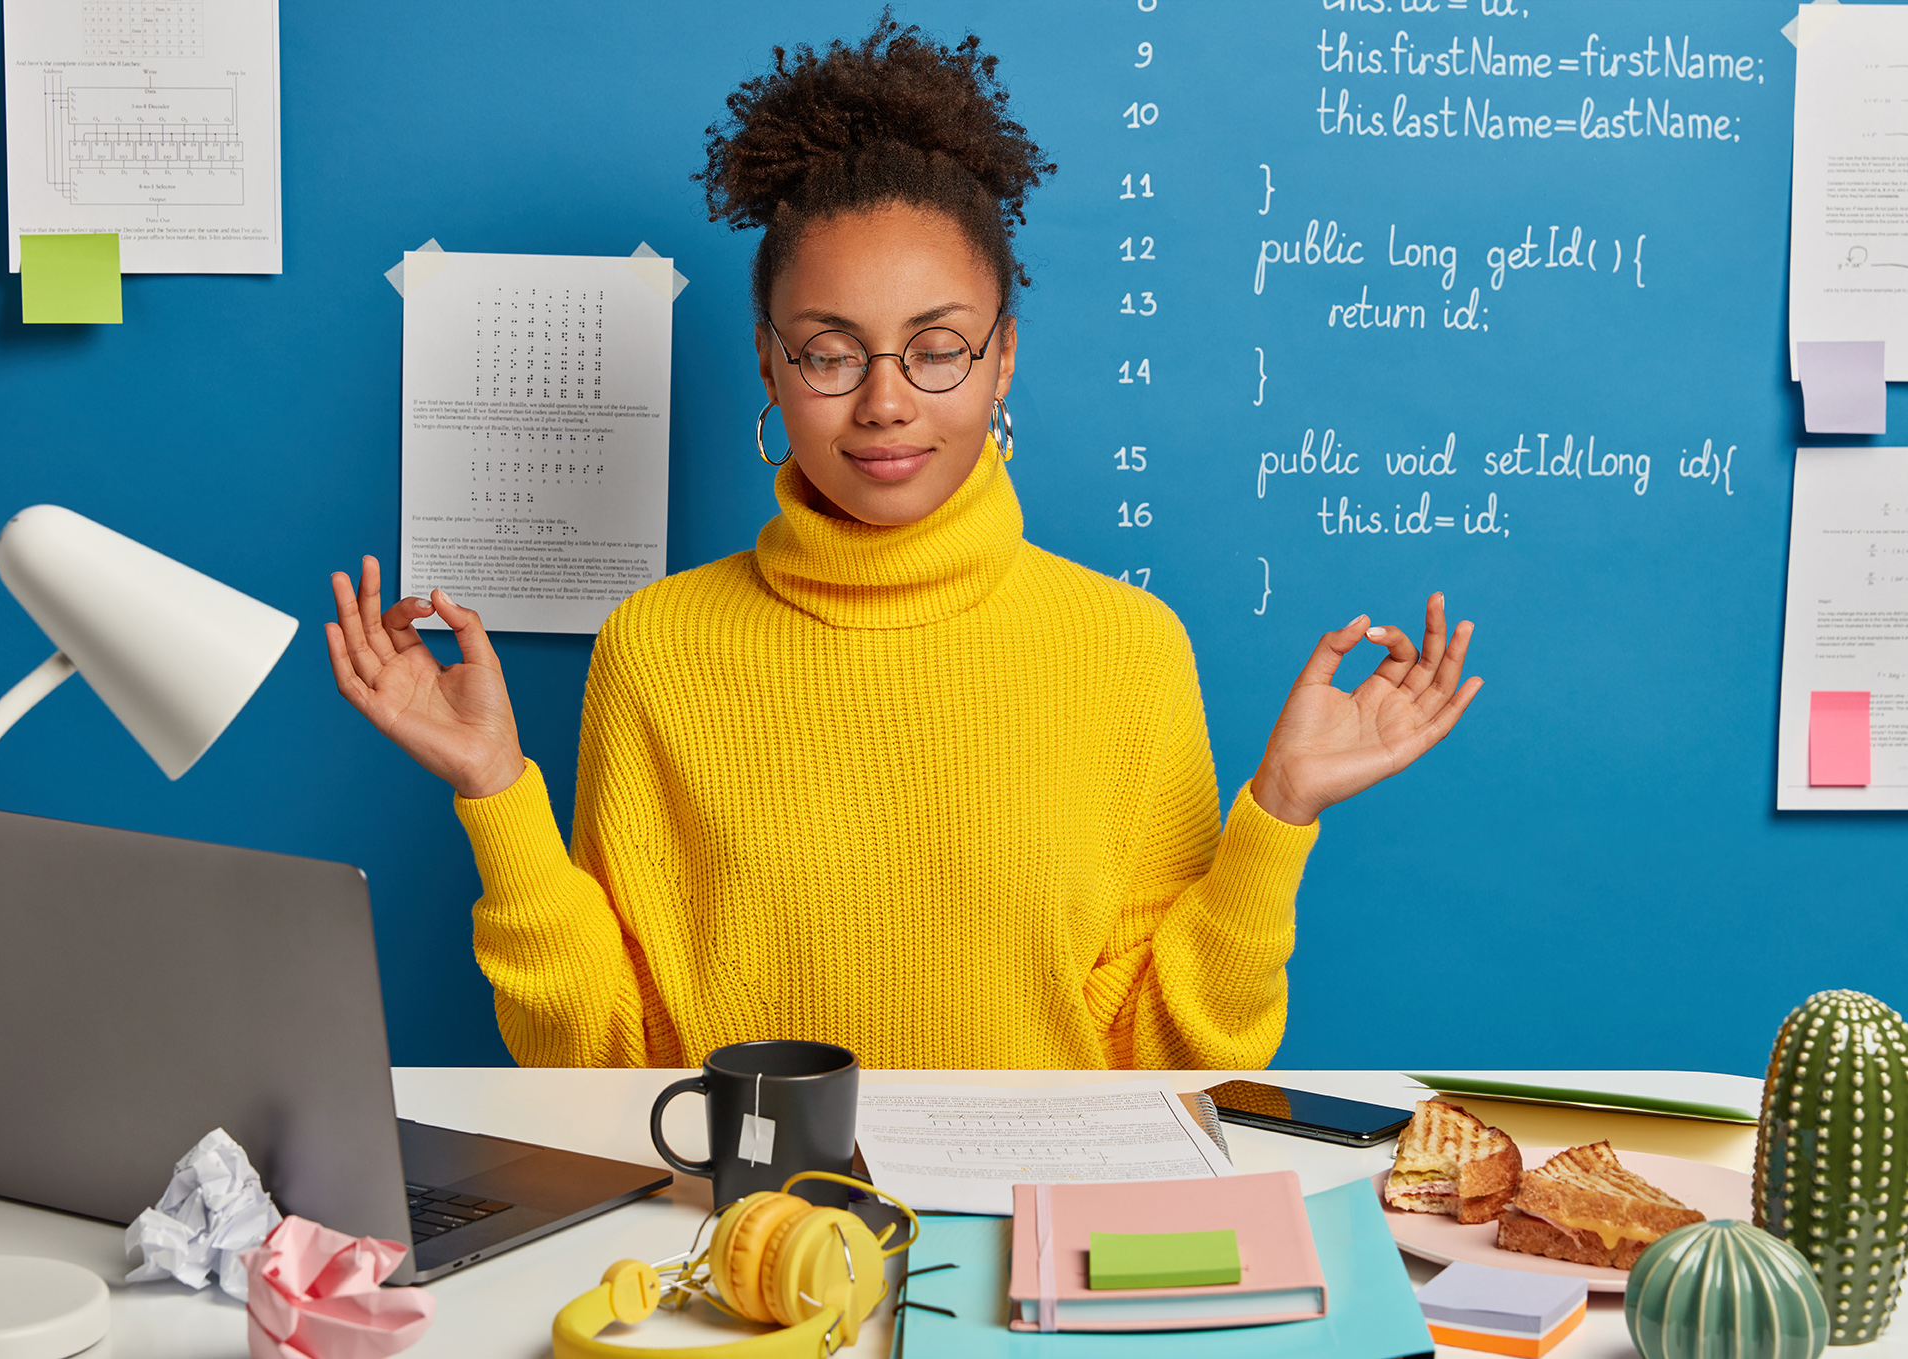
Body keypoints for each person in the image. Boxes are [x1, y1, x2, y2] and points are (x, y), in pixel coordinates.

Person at [326, 16, 1480, 1071]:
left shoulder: (1127, 650)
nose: (883, 403)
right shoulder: (658, 646)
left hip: (1027, 1243)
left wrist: (1275, 816)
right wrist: (495, 790)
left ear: (1004, 358)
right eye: (830, 351)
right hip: (741, 1241)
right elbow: (600, 1053)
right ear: (771, 363)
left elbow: (1165, 1061)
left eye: (937, 348)